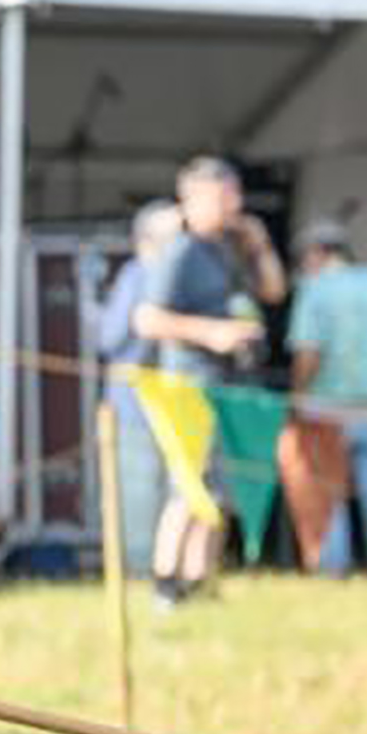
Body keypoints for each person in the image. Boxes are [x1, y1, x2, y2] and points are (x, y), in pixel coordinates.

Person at [132, 155, 287, 604]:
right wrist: (212, 333)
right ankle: (165, 583)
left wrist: (258, 245)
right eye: (226, 194)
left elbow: (274, 291)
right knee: (190, 486)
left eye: (237, 194)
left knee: (221, 490)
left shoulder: (229, 246)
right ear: (195, 197)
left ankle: (199, 581)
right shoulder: (180, 250)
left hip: (230, 382)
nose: (235, 203)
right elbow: (146, 319)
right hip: (191, 382)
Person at [286, 217, 367, 576]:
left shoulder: (315, 290)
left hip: (326, 405)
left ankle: (333, 564)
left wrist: (296, 397)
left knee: (329, 489)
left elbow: (308, 352)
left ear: (316, 254)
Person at [93, 199, 183, 577]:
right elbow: (111, 338)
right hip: (137, 404)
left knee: (165, 494)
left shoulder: (152, 273)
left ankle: (161, 573)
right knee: (140, 494)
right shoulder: (138, 274)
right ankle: (141, 574)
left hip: (163, 402)